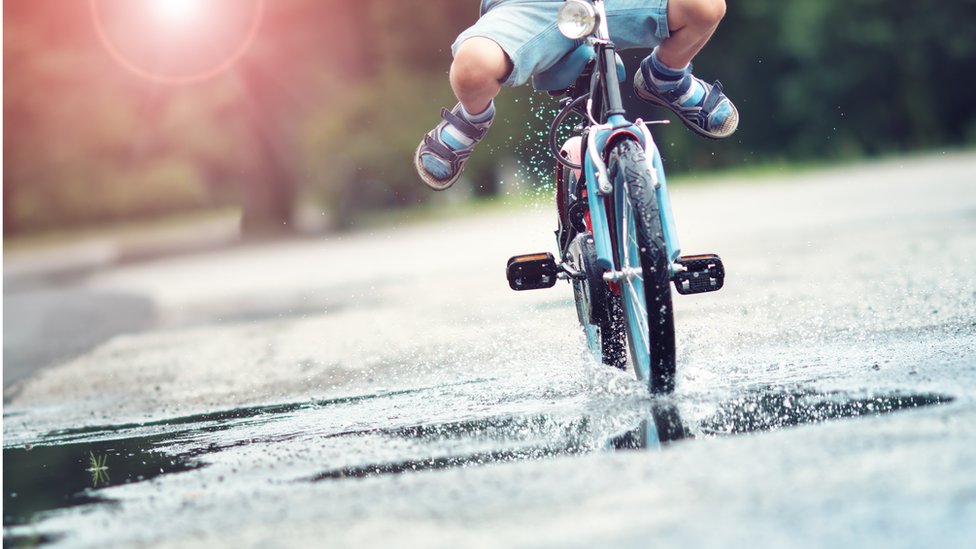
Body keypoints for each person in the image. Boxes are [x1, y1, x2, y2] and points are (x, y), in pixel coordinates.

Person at [415, 0, 738, 191]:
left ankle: (666, 77)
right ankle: (472, 117)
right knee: (473, 67)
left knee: (704, 6)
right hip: (528, 6)